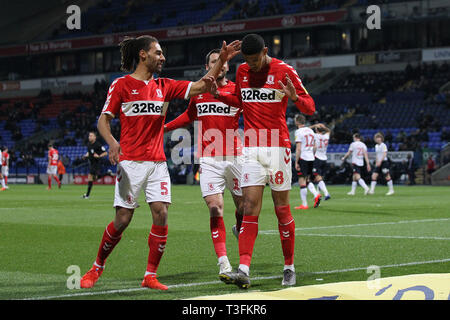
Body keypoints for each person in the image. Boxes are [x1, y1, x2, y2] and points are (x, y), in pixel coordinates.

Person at [79, 35, 241, 290]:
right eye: (158, 53)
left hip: (157, 163)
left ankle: (150, 275)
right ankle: (97, 267)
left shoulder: (165, 86)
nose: (163, 57)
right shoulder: (121, 85)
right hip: (130, 162)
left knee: (162, 213)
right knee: (122, 219)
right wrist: (112, 143)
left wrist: (222, 60)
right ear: (143, 55)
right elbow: (103, 120)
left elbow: (201, 85)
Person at [211, 33, 315, 288]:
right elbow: (240, 100)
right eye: (248, 60)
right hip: (251, 149)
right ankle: (243, 269)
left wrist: (294, 97)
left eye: (256, 60)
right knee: (249, 207)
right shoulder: (242, 71)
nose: (252, 65)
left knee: (282, 210)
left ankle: (289, 267)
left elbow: (310, 107)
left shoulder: (284, 71)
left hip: (278, 149)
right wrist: (221, 95)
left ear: (266, 51)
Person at [164, 48, 244, 282]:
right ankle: (224, 263)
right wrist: (165, 128)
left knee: (244, 209)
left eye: (222, 61)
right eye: (213, 61)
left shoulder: (235, 90)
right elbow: (189, 116)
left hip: (235, 157)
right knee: (215, 208)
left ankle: (238, 229)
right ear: (208, 66)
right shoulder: (199, 91)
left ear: (227, 66)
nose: (219, 64)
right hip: (209, 157)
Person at [293, 114, 321, 210]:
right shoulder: (311, 131)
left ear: (297, 121)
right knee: (307, 180)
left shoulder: (298, 132)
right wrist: (312, 155)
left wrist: (296, 162)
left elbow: (298, 148)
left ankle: (304, 204)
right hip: (311, 157)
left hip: (303, 157)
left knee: (302, 181)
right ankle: (316, 195)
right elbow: (315, 146)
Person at [82, 132, 108, 199]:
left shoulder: (98, 145)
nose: (89, 137)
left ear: (95, 137)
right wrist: (85, 156)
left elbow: (105, 153)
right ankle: (107, 173)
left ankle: (87, 195)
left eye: (91, 136)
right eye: (89, 136)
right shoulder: (89, 144)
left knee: (90, 177)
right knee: (95, 179)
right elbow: (89, 152)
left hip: (96, 163)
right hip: (91, 163)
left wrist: (99, 156)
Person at [311, 123, 331, 200]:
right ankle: (318, 194)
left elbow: (306, 130)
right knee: (319, 178)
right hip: (324, 158)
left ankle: (326, 193)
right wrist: (323, 127)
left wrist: (314, 125)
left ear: (316, 130)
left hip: (317, 157)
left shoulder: (315, 135)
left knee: (317, 177)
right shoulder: (326, 136)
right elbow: (329, 131)